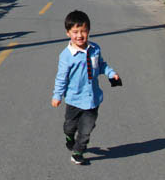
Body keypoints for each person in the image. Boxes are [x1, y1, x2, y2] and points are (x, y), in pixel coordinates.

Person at [51, 9, 121, 165]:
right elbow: (61, 78)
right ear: (68, 33)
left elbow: (101, 65)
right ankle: (69, 137)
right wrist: (57, 96)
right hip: (74, 100)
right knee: (69, 127)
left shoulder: (95, 49)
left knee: (86, 130)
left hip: (92, 99)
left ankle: (78, 152)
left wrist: (111, 74)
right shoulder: (66, 56)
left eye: (83, 31)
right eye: (75, 31)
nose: (80, 35)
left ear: (89, 31)